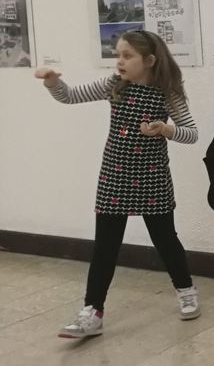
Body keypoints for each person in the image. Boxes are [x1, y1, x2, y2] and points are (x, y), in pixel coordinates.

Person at [34, 30, 200, 338]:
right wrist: (53, 82)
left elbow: (191, 133)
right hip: (115, 176)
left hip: (152, 177)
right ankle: (92, 311)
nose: (119, 61)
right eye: (117, 55)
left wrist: (165, 129)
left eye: (127, 56)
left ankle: (186, 289)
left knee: (165, 239)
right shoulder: (113, 85)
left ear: (149, 60)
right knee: (105, 246)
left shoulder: (167, 92)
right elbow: (70, 96)